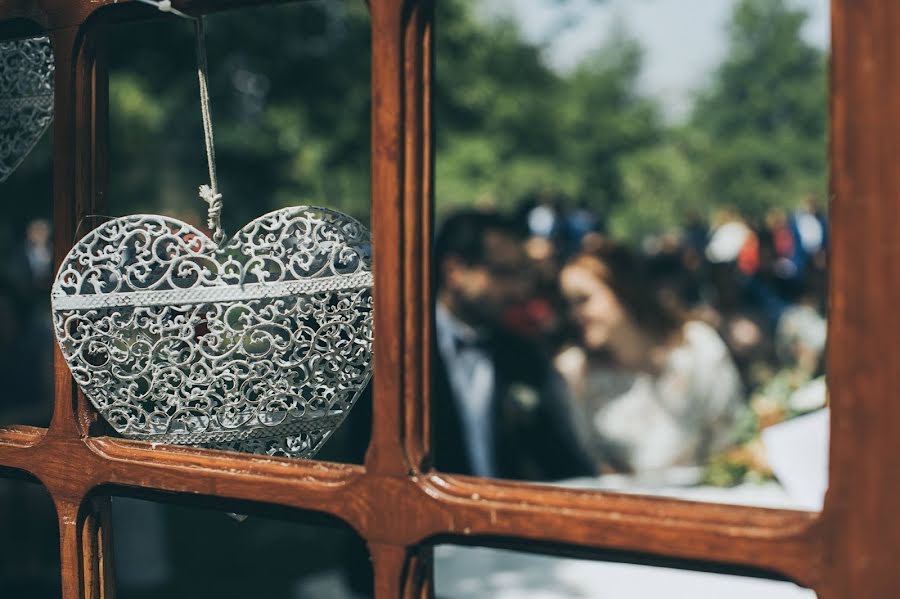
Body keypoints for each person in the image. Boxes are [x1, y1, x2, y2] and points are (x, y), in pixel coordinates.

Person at [556, 243, 744, 483]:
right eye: (568, 304)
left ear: (623, 290)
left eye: (583, 300)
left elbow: (729, 438)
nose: (574, 314)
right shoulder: (578, 373)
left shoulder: (696, 346)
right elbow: (595, 462)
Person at [433, 210, 593, 480]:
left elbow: (561, 461)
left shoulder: (524, 356)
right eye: (504, 273)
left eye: (522, 274)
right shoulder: (394, 352)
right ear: (455, 271)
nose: (518, 290)